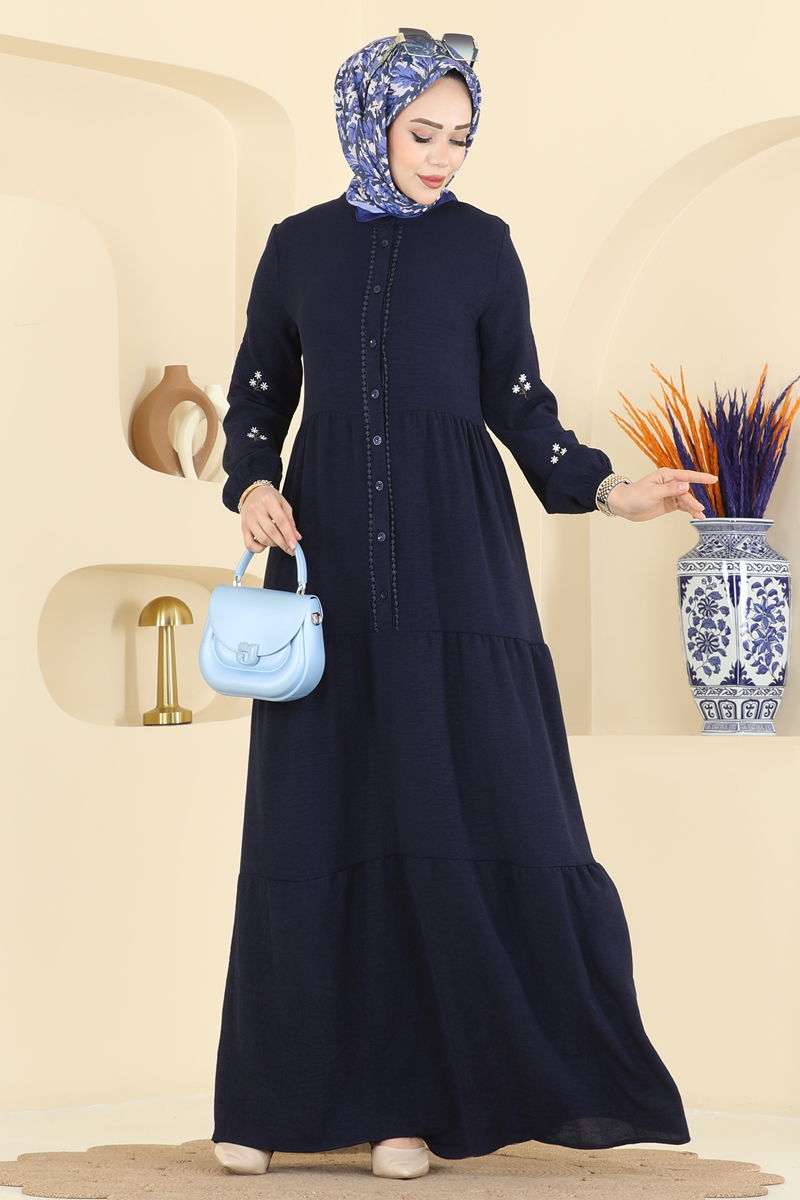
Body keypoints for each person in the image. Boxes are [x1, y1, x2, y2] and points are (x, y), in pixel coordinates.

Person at [210, 29, 717, 1182]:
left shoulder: (483, 247)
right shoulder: (297, 247)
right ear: (370, 124)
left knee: (441, 815)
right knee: (311, 820)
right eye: (421, 134)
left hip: (458, 562)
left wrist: (609, 489)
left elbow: (521, 407)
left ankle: (409, 1111)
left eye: (459, 139)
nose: (441, 158)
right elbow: (257, 396)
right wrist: (250, 484)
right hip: (327, 560)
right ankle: (268, 1100)